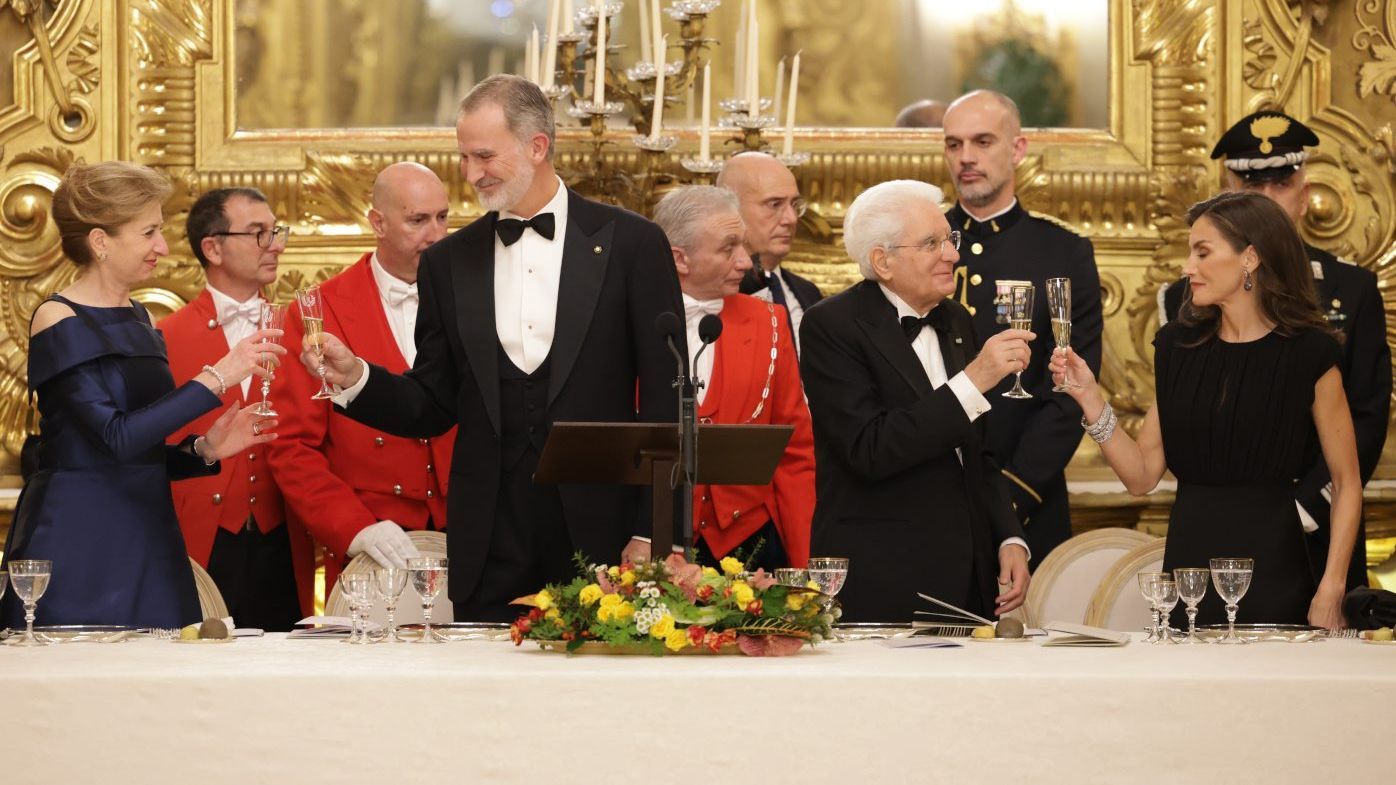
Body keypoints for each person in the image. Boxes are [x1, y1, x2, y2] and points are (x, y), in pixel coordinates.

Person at [299, 75, 683, 622]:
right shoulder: (448, 262)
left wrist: (652, 530)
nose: (471, 174)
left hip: (604, 534)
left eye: (484, 156)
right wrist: (356, 376)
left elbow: (666, 402)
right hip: (490, 540)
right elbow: (434, 401)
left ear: (537, 147)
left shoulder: (633, 244)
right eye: (464, 157)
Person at [1051, 191, 1359, 629]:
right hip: (1187, 578)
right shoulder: (1177, 347)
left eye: (1202, 252)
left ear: (1250, 257)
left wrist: (1332, 586)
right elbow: (1141, 476)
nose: (1186, 267)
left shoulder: (1310, 353)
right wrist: (1090, 397)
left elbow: (1347, 483)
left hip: (1276, 573)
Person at [0, 162, 283, 629]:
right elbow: (114, 438)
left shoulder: (140, 319)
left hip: (148, 534)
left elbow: (139, 454)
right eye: (149, 232)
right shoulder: (57, 318)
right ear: (100, 241)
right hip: (80, 539)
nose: (163, 247)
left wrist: (206, 449)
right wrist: (219, 376)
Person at [1158, 111, 1390, 591]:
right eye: (1248, 183)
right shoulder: (1188, 298)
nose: (1264, 198)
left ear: (1304, 196)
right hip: (1222, 525)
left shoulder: (1350, 286)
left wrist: (1301, 504)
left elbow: (1366, 414)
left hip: (1321, 528)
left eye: (1280, 184)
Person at [799, 179, 1031, 623]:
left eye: (950, 239)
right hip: (884, 575)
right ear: (882, 262)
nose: (952, 255)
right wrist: (973, 381)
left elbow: (977, 450)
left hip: (971, 579)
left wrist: (1008, 537)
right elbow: (869, 449)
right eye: (932, 244)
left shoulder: (957, 319)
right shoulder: (831, 326)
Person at [267, 163, 454, 594]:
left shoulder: (476, 297)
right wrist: (354, 529)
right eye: (418, 220)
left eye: (442, 217)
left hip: (467, 536)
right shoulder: (318, 309)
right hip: (372, 549)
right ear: (377, 223)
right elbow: (292, 446)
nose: (436, 235)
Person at [941, 89, 1103, 567]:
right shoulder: (921, 244)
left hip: (1028, 497)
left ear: (1017, 149)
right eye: (954, 145)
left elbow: (1071, 384)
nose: (966, 158)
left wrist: (1013, 495)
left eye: (983, 141)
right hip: (930, 495)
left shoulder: (1062, 251)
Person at [161, 188, 313, 630]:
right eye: (259, 234)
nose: (277, 245)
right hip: (202, 543)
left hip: (283, 537)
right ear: (213, 247)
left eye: (276, 232)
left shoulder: (302, 331)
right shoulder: (164, 336)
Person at [652, 185, 815, 570]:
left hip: (752, 545)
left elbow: (796, 453)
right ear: (680, 259)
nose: (745, 262)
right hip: (654, 543)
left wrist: (803, 562)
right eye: (729, 248)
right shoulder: (632, 319)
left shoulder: (770, 322)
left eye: (743, 245)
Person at [719, 152, 822, 354]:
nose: (791, 219)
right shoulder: (710, 294)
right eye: (774, 204)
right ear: (731, 208)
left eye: (794, 205)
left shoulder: (809, 293)